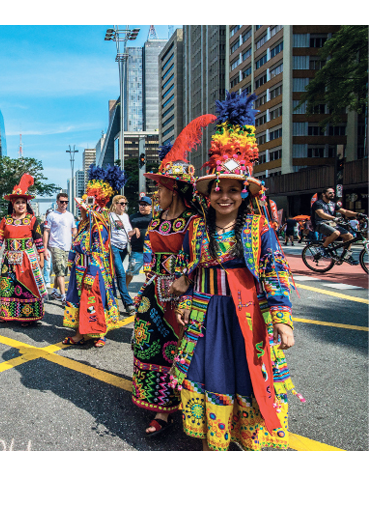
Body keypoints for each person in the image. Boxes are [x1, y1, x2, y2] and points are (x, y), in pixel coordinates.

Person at [168, 92, 301, 451]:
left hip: (248, 312)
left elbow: (274, 271)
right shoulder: (196, 228)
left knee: (249, 370)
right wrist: (180, 293)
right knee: (211, 370)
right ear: (208, 193)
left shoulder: (259, 227)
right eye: (218, 190)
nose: (224, 196)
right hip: (206, 313)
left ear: (244, 193)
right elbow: (184, 268)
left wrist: (282, 319)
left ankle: (247, 437)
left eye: (232, 190)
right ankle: (217, 436)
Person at [131, 120, 214, 437]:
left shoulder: (193, 221)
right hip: (154, 293)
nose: (156, 194)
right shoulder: (157, 217)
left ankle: (190, 407)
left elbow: (200, 258)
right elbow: (152, 254)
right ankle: (160, 407)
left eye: (161, 188)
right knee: (148, 344)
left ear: (174, 190)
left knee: (183, 351)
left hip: (183, 297)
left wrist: (178, 281)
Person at [62, 164, 126, 348]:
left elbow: (98, 252)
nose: (80, 209)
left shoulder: (99, 226)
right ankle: (80, 332)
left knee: (96, 299)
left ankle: (98, 333)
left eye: (82, 207)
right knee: (79, 299)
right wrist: (71, 260)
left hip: (93, 271)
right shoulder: (83, 225)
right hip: (79, 269)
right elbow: (76, 244)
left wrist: (91, 272)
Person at [0, 174, 47, 326]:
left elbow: (38, 239)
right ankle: (7, 314)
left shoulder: (32, 219)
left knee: (26, 286)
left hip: (26, 258)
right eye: (18, 202)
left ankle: (26, 316)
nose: (21, 205)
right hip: (9, 258)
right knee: (7, 285)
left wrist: (41, 257)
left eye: (23, 202)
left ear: (27, 203)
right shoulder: (6, 220)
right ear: (13, 203)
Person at [311, 187, 366, 264]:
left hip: (331, 223)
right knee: (336, 233)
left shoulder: (333, 204)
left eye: (333, 193)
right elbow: (321, 214)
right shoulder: (318, 203)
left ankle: (346, 256)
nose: (332, 194)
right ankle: (323, 248)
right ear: (324, 194)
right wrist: (334, 218)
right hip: (320, 223)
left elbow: (345, 211)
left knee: (349, 236)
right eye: (330, 193)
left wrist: (358, 214)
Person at [44, 191, 77, 304]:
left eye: (66, 202)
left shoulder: (70, 215)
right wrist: (44, 248)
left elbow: (74, 230)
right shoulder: (51, 215)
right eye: (62, 202)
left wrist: (77, 240)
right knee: (60, 271)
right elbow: (46, 231)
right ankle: (64, 297)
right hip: (55, 245)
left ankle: (54, 290)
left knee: (62, 271)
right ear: (57, 202)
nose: (64, 204)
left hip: (67, 246)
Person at [108, 194, 136, 315]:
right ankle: (128, 304)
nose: (124, 206)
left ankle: (111, 301)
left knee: (117, 274)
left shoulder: (126, 216)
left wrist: (135, 231)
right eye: (121, 203)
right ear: (115, 204)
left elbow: (128, 232)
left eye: (125, 203)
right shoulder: (110, 216)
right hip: (114, 247)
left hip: (125, 248)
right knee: (120, 273)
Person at [126, 195, 153, 287]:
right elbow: (127, 229)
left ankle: (149, 293)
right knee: (130, 272)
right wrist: (134, 228)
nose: (142, 206)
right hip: (137, 251)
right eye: (141, 204)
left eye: (145, 205)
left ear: (150, 206)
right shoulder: (133, 217)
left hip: (151, 252)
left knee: (149, 274)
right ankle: (124, 291)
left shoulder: (155, 217)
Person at [42, 209, 53, 288]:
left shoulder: (56, 224)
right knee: (47, 265)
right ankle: (47, 281)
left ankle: (48, 277)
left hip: (55, 247)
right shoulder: (43, 225)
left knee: (52, 266)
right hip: (47, 247)